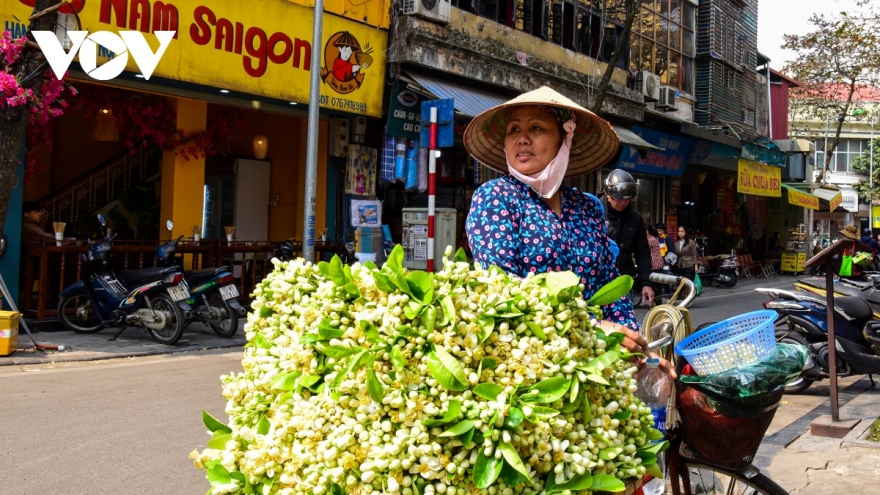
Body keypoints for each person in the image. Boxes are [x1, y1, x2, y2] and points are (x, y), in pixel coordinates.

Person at [463, 86, 674, 377]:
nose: (522, 138)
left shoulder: (587, 206)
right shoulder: (496, 197)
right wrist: (592, 326)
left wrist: (630, 341)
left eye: (536, 128)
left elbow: (609, 284)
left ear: (565, 139)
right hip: (530, 365)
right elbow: (502, 287)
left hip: (596, 362)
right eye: (513, 130)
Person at [603, 170, 654, 307]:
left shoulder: (636, 218)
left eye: (627, 199)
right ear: (607, 193)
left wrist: (646, 283)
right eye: (618, 198)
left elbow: (642, 252)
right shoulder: (595, 212)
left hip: (624, 281)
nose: (623, 202)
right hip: (598, 281)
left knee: (624, 324)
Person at [646, 226, 665, 304]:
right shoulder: (655, 238)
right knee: (656, 283)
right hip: (658, 263)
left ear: (647, 231)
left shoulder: (651, 239)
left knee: (655, 283)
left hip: (654, 263)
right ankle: (657, 300)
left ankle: (658, 300)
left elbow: (645, 249)